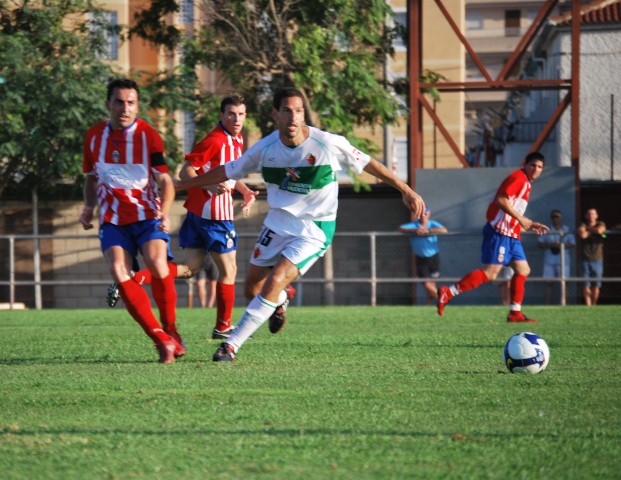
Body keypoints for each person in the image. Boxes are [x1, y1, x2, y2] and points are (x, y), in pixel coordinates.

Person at [174, 87, 425, 362]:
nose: (293, 117)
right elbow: (226, 171)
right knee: (251, 288)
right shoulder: (264, 148)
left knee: (276, 279)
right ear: (275, 114)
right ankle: (280, 301)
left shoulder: (327, 142)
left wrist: (405, 189)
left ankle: (230, 346)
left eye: (298, 110)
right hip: (278, 223)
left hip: (314, 228)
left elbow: (368, 163)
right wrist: (185, 184)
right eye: (286, 111)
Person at [105, 94, 258, 340]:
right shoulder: (216, 140)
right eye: (231, 113)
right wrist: (207, 187)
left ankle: (132, 280)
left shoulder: (236, 139)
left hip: (200, 214)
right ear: (221, 116)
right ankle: (223, 326)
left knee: (189, 268)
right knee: (229, 271)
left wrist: (245, 190)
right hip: (214, 216)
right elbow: (186, 170)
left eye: (240, 114)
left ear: (245, 116)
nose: (236, 118)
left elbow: (228, 172)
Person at [79, 78, 183, 364]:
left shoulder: (148, 136)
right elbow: (90, 178)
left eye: (130, 103)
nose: (124, 108)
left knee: (158, 264)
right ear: (108, 104)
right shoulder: (93, 137)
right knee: (118, 269)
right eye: (119, 102)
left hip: (148, 216)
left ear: (137, 106)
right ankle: (161, 340)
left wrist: (165, 209)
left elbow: (166, 180)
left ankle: (172, 330)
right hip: (113, 220)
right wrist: (89, 207)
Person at [437, 152, 549, 322]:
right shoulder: (518, 177)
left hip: (512, 234)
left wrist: (529, 223)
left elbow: (514, 209)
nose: (536, 169)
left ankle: (514, 313)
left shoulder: (526, 183)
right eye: (533, 165)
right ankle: (449, 292)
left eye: (540, 166)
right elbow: (501, 201)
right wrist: (521, 219)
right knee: (490, 273)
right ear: (525, 165)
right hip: (500, 232)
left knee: (523, 270)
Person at [398, 207, 447, 305]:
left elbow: (444, 230)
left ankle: (429, 304)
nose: (423, 216)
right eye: (421, 214)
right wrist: (414, 231)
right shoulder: (414, 225)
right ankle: (442, 299)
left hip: (433, 257)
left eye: (425, 214)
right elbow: (401, 229)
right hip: (421, 258)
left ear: (429, 214)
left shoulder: (432, 224)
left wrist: (427, 231)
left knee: (432, 283)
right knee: (427, 283)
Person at [537, 209, 575, 305]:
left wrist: (561, 246)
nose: (555, 219)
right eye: (553, 217)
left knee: (565, 283)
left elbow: (572, 243)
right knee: (549, 283)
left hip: (564, 261)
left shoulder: (566, 230)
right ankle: (546, 305)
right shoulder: (547, 230)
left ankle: (565, 305)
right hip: (549, 261)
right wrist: (551, 245)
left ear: (560, 217)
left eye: (557, 216)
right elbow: (540, 244)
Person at [577, 208, 606, 306]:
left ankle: (594, 305)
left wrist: (589, 230)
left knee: (596, 285)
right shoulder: (582, 224)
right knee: (586, 285)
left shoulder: (600, 223)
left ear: (596, 216)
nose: (591, 216)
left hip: (597, 259)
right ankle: (588, 306)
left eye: (593, 214)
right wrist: (592, 231)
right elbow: (583, 235)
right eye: (589, 214)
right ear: (586, 216)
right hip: (584, 259)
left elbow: (599, 231)